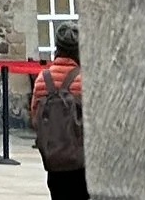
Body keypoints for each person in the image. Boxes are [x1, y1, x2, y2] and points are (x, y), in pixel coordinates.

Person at [29, 23, 86, 200]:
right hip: (81, 160)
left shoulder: (42, 79)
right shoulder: (84, 79)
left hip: (53, 160)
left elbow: (34, 115)